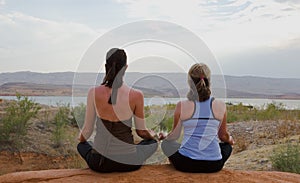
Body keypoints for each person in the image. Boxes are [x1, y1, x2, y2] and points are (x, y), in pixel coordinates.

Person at [77, 48, 158, 173]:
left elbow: (87, 131)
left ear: (105, 66)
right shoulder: (136, 95)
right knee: (152, 143)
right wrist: (152, 135)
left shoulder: (93, 93)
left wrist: (81, 139)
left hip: (100, 163)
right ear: (125, 68)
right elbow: (141, 132)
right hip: (129, 162)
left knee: (81, 146)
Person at [161, 63, 235, 173]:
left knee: (166, 144)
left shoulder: (182, 106)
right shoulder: (220, 105)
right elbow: (223, 136)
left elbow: (174, 137)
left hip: (186, 164)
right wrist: (230, 140)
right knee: (227, 146)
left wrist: (165, 136)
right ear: (209, 81)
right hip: (214, 165)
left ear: (189, 82)